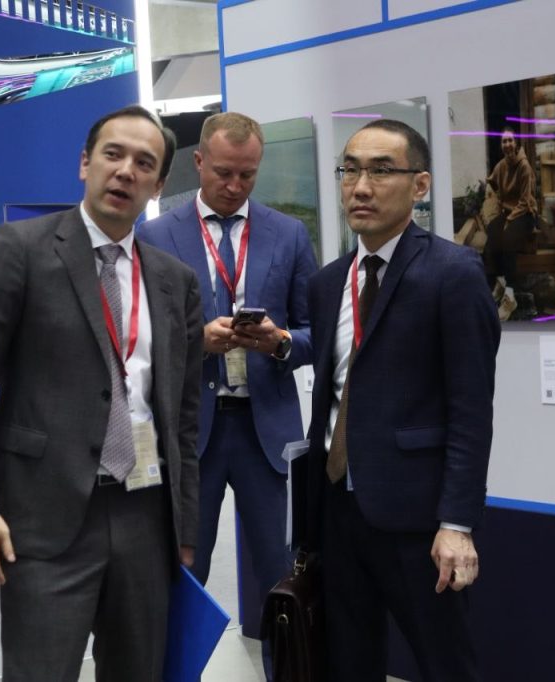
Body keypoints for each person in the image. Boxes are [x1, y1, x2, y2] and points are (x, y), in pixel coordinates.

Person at [0, 105, 203, 682]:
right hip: (44, 515)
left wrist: (185, 533)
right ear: (85, 163)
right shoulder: (21, 249)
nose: (126, 171)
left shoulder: (174, 281)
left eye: (144, 163)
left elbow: (182, 419)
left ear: (160, 184)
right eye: (113, 154)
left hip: (145, 515)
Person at [297, 119, 500, 681]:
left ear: (420, 185)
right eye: (350, 170)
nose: (361, 186)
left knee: (444, 665)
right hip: (336, 511)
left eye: (381, 171)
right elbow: (332, 399)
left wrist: (457, 522)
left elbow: (470, 411)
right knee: (347, 664)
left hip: (417, 518)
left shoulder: (453, 273)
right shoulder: (327, 284)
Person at [136, 111, 316, 680]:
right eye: (223, 173)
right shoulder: (155, 236)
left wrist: (280, 342)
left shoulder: (288, 234)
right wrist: (197, 341)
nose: (235, 186)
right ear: (198, 163)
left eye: (247, 175)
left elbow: (315, 332)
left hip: (268, 434)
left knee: (283, 578)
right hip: (193, 435)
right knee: (183, 572)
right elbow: (137, 338)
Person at [483, 127, 539, 320]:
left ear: (516, 144)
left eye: (510, 141)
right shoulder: (501, 166)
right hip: (508, 213)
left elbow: (525, 201)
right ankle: (500, 281)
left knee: (508, 239)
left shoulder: (524, 167)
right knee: (491, 235)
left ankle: (510, 295)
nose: (507, 144)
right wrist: (492, 194)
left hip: (525, 213)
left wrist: (509, 220)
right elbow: (491, 182)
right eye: (504, 141)